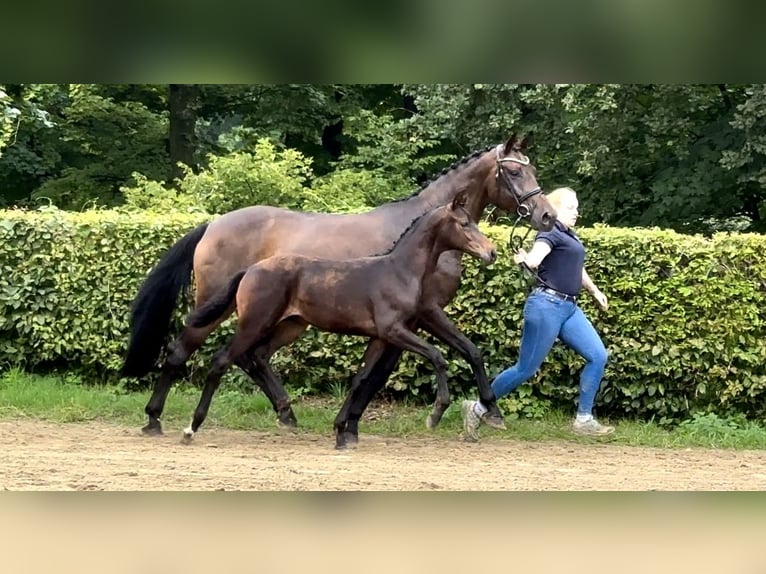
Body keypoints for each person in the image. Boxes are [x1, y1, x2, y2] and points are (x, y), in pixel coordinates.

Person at [461, 186, 614, 440]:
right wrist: (527, 260)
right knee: (526, 368)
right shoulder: (550, 233)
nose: (576, 212)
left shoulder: (570, 235)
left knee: (597, 355)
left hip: (569, 308)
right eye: (570, 207)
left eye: (576, 207)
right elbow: (536, 257)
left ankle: (584, 420)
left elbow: (577, 267)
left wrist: (595, 292)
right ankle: (476, 409)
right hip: (546, 306)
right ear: (554, 209)